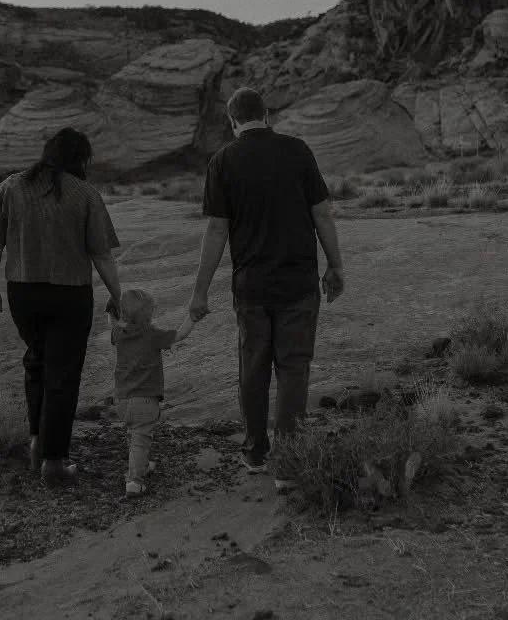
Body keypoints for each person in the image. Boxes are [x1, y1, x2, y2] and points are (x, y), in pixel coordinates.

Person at [188, 87, 345, 481]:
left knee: (253, 368)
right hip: (298, 281)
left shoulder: (223, 161)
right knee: (293, 367)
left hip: (252, 286)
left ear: (232, 120)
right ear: (267, 114)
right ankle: (289, 462)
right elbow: (322, 214)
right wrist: (335, 265)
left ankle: (256, 452)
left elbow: (216, 230)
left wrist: (200, 290)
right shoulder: (297, 151)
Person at [0, 127, 123, 487]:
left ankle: (35, 444)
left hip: (22, 292)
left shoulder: (11, 187)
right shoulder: (86, 194)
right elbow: (100, 254)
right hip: (69, 294)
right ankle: (54, 462)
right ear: (81, 159)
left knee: (37, 360)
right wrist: (118, 295)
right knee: (63, 372)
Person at [108, 287, 196, 497]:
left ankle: (142, 465)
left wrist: (109, 312)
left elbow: (111, 325)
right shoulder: (152, 335)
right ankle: (134, 481)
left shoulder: (119, 334)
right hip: (145, 401)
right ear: (149, 316)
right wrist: (193, 317)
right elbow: (180, 335)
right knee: (140, 438)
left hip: (122, 400)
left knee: (136, 435)